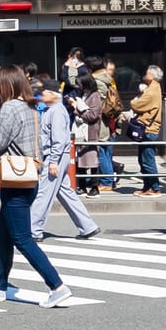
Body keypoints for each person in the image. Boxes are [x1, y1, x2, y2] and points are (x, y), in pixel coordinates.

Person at [0, 66, 70, 307]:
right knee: (3, 235)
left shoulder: (9, 107)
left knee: (22, 238)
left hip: (14, 179)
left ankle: (57, 285)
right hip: (29, 174)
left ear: (6, 86)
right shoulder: (30, 106)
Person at [31, 78, 99, 241]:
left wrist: (53, 161)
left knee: (43, 193)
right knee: (65, 192)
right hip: (58, 156)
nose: (41, 96)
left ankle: (34, 230)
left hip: (56, 156)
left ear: (52, 94)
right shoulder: (52, 110)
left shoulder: (56, 111)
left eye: (43, 93)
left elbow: (60, 140)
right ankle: (88, 226)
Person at [131, 65, 165, 195]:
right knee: (143, 158)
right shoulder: (153, 88)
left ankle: (154, 187)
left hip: (148, 128)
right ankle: (147, 186)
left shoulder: (152, 90)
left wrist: (135, 101)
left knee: (147, 159)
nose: (145, 75)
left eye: (147, 73)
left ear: (152, 75)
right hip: (148, 127)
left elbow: (137, 105)